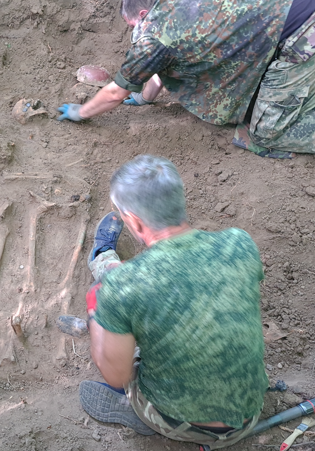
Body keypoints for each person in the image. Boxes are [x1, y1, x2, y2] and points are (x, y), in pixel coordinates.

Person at [79, 155, 268, 450]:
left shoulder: (125, 285)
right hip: (250, 409)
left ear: (135, 222)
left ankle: (143, 415)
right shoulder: (240, 243)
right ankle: (104, 261)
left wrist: (96, 312)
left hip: (184, 423)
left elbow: (116, 375)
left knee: (111, 306)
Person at [58, 0, 315, 155]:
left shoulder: (156, 34)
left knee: (266, 131)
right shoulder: (178, 8)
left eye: (132, 25)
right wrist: (145, 98)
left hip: (314, 32)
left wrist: (81, 112)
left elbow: (114, 92)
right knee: (271, 98)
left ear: (143, 14)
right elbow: (165, 65)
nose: (134, 32)